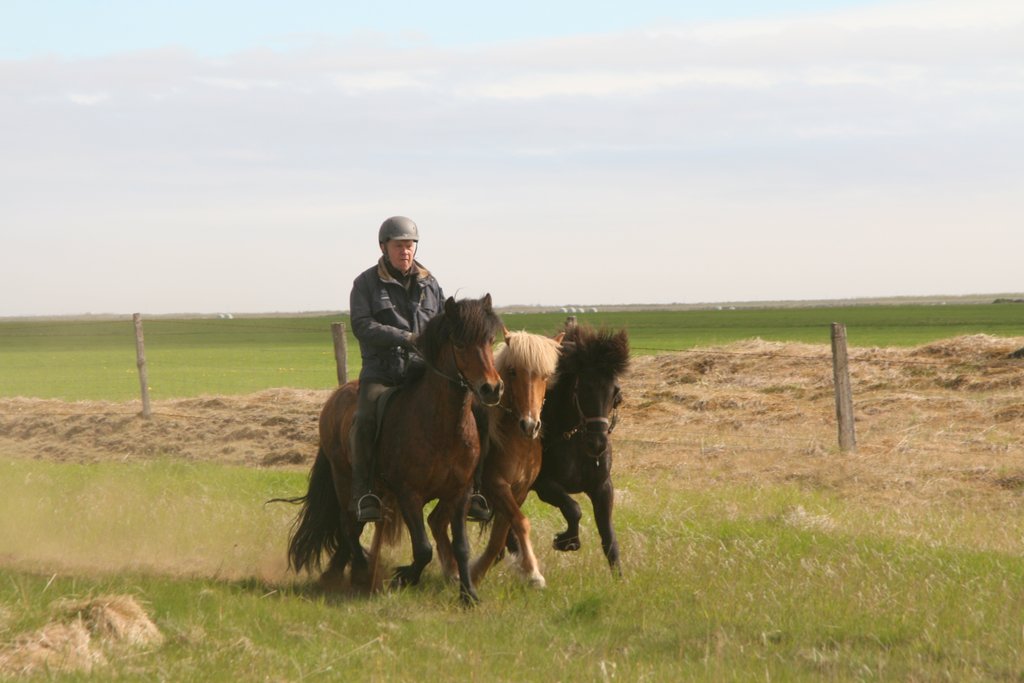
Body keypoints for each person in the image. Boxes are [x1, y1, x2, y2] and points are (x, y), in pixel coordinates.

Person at [348, 216, 491, 523]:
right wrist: (405, 337)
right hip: (383, 372)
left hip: (423, 371)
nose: (405, 251)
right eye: (398, 246)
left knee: (479, 413)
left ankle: (476, 490)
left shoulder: (430, 283)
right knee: (364, 418)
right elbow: (362, 325)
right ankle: (364, 492)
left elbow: (445, 324)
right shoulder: (365, 284)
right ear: (384, 247)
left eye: (409, 245)